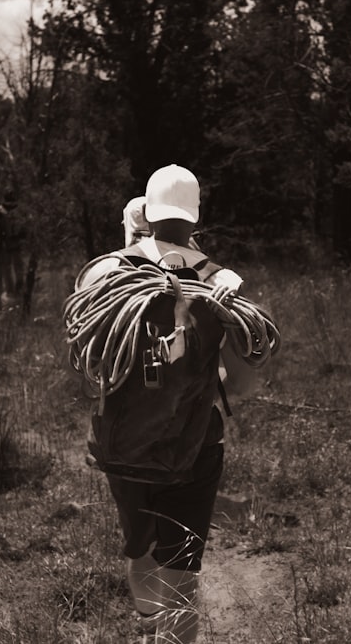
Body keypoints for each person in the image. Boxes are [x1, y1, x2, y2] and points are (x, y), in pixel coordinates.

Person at [75, 164, 248, 643]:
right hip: (194, 445)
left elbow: (90, 365)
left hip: (123, 447)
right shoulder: (219, 282)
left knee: (141, 551)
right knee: (183, 574)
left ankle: (149, 629)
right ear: (196, 217)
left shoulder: (107, 271)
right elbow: (246, 381)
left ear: (146, 211)